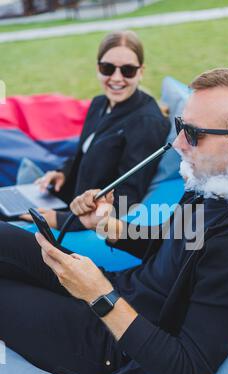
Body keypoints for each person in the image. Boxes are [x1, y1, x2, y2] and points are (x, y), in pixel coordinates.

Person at [0, 68, 228, 374]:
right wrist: (106, 226)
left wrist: (99, 295)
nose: (178, 143)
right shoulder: (215, 181)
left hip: (112, 345)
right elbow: (174, 242)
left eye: (194, 133)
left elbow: (186, 370)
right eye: (180, 126)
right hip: (114, 289)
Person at [21, 30, 170, 230]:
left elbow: (128, 199)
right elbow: (84, 154)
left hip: (80, 225)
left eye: (128, 70)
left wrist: (59, 220)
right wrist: (62, 173)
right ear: (98, 68)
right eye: (107, 68)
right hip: (65, 202)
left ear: (141, 71)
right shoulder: (100, 103)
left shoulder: (147, 123)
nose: (116, 78)